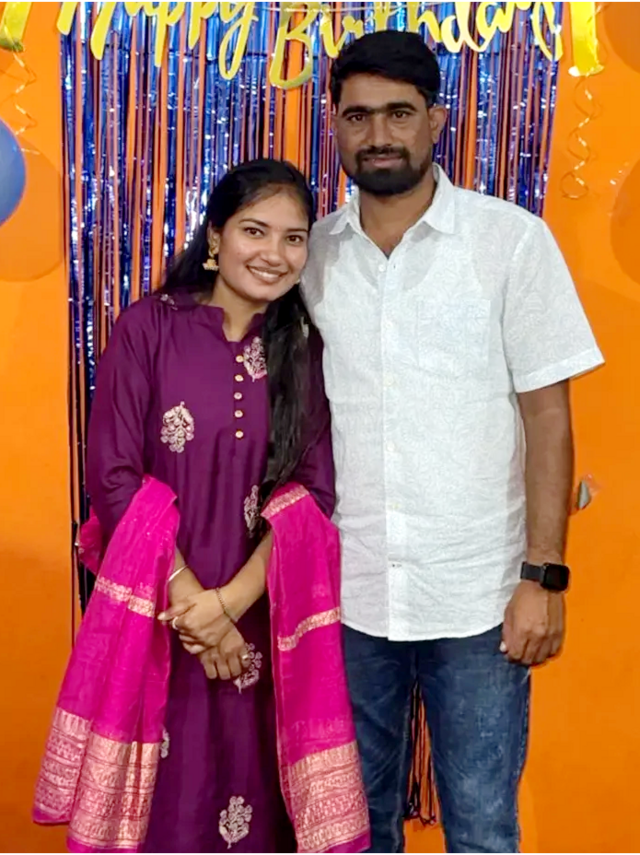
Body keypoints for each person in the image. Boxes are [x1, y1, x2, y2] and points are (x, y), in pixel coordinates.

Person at [301, 30, 604, 855]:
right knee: (354, 829)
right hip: (347, 595)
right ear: (334, 123)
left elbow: (548, 418)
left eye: (399, 113)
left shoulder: (510, 242)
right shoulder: (311, 256)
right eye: (358, 116)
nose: (378, 135)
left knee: (481, 827)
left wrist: (544, 576)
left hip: (479, 596)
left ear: (437, 120)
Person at [85, 159, 335, 854]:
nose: (274, 253)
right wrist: (194, 604)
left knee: (253, 796)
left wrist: (228, 607)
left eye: (293, 238)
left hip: (262, 620)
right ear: (216, 235)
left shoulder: (305, 349)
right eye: (255, 230)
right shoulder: (148, 327)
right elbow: (113, 474)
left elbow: (312, 493)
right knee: (166, 800)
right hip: (157, 611)